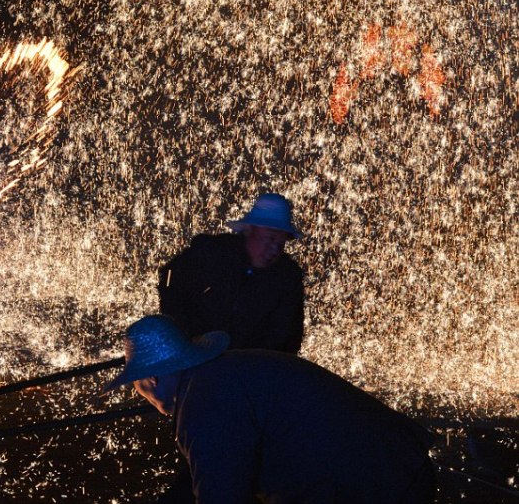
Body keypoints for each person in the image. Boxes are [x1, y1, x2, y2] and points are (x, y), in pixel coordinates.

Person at [105, 315, 437, 504]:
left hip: (376, 485)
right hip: (394, 463)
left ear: (151, 378)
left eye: (137, 385)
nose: (141, 395)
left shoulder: (202, 406)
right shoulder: (223, 373)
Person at [159, 192, 304, 353]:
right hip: (192, 355)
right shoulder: (210, 253)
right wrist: (182, 334)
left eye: (280, 242)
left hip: (247, 368)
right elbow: (170, 279)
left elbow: (288, 335)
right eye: (270, 238)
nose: (275, 248)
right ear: (249, 230)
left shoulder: (288, 279)